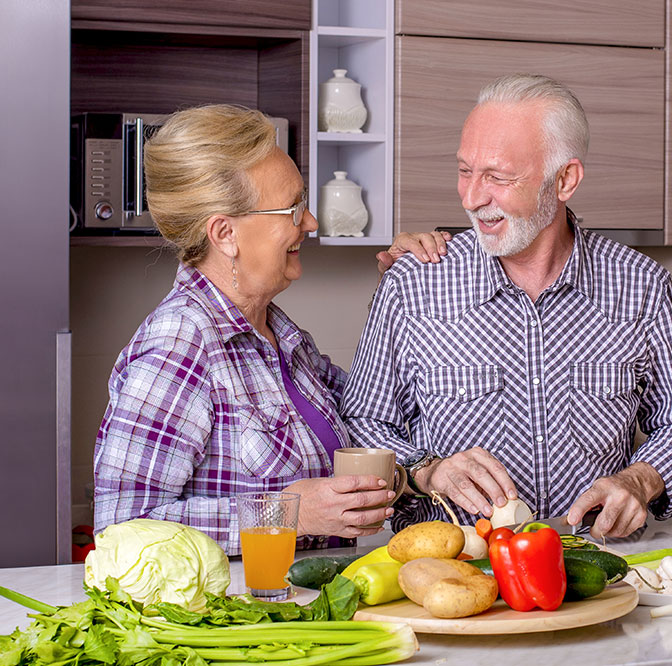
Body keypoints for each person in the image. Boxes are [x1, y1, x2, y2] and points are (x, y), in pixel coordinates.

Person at [342, 74, 672, 539]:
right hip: (452, 573)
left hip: (597, 564)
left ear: (565, 179)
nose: (472, 197)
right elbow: (363, 422)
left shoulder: (642, 285)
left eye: (498, 177)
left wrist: (637, 482)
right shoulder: (412, 284)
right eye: (465, 171)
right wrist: (427, 468)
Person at [92, 104, 450, 555]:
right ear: (225, 234)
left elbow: (373, 413)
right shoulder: (181, 344)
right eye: (292, 209)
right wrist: (285, 513)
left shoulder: (281, 337)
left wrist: (404, 292)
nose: (311, 223)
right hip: (239, 618)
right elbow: (120, 529)